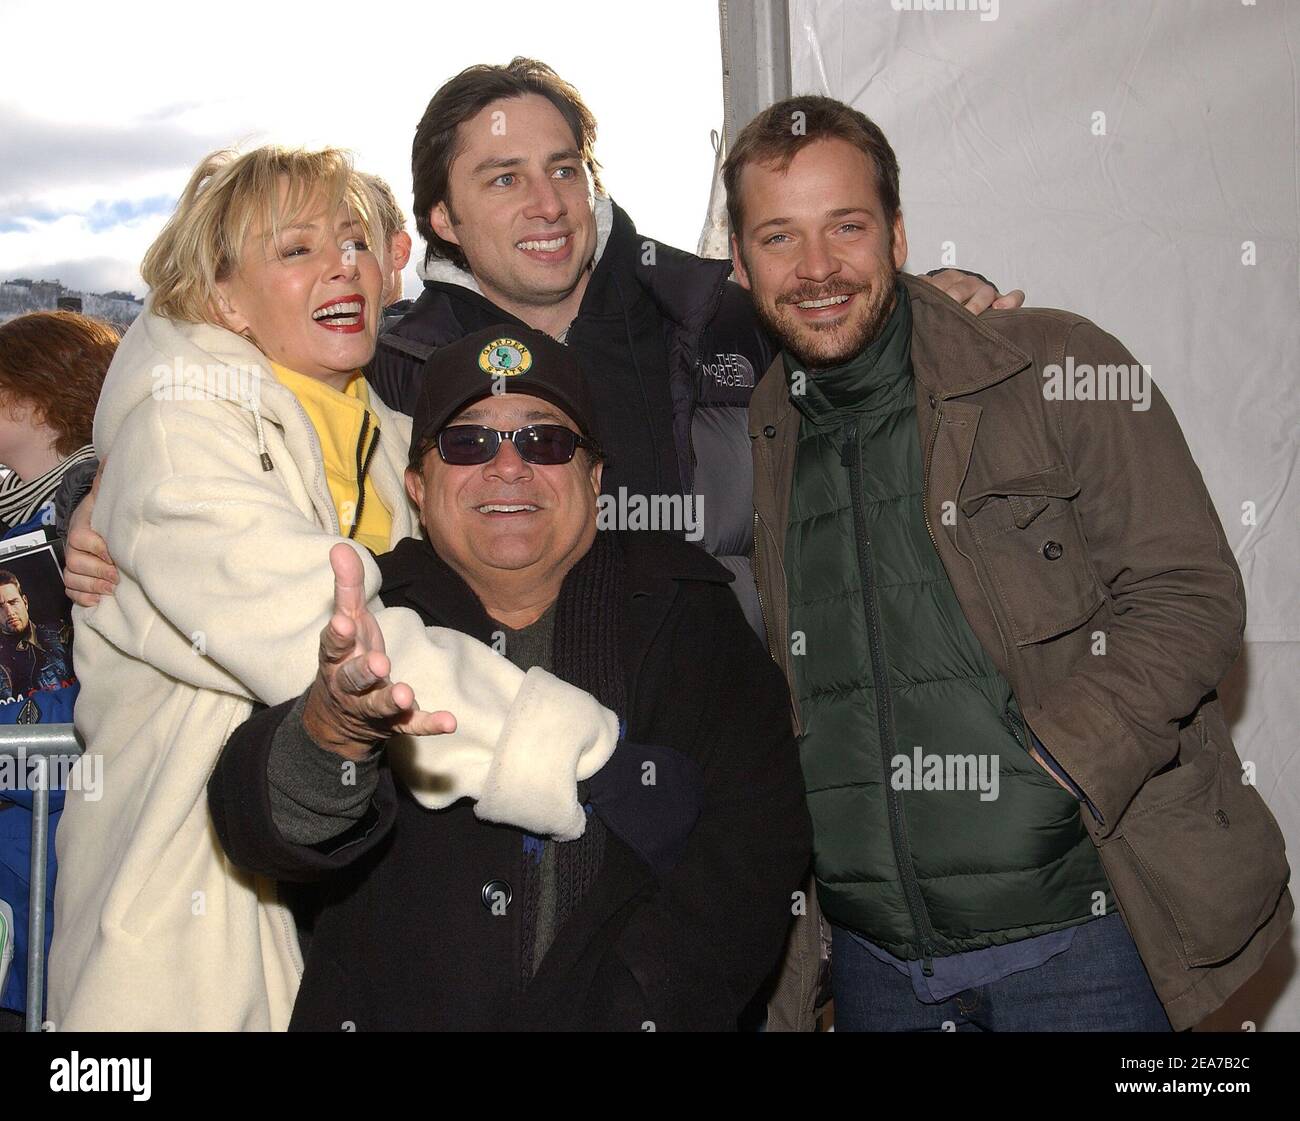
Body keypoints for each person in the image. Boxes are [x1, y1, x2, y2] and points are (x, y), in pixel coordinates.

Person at [730, 95, 1292, 1031]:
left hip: (1084, 938)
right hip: (877, 964)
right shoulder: (772, 421)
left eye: (848, 227)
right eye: (780, 237)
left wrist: (1058, 763)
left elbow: (1189, 591)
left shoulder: (1053, 365)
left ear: (899, 234)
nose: (818, 268)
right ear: (741, 263)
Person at [48, 146, 618, 1031]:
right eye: (297, 249)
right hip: (191, 904)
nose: (342, 265)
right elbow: (321, 629)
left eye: (355, 242)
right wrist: (568, 752)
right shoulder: (178, 429)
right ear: (223, 298)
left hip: (356, 908)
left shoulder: (391, 438)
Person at [209, 325, 812, 1029]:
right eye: (468, 443)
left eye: (544, 441)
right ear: (417, 484)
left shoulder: (691, 616)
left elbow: (754, 855)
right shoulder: (362, 617)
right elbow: (256, 826)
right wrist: (332, 736)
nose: (508, 467)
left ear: (593, 478)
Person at [0, 309, 113, 1029]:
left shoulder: (94, 497)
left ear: (34, 399)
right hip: (18, 775)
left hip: (65, 776)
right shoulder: (11, 505)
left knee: (53, 935)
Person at [0, 569, 72, 700]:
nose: (9, 612)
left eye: (13, 602)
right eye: (0, 606)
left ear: (25, 602)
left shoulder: (62, 635)